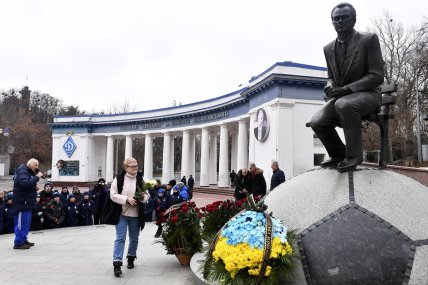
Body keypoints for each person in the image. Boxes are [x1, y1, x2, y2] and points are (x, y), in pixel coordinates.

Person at [310, 2, 384, 172]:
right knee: (317, 121)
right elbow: (330, 75)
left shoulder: (369, 40)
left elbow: (377, 76)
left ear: (354, 20)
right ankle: (338, 154)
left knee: (344, 104)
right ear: (332, 22)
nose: (340, 21)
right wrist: (330, 85)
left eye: (344, 17)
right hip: (342, 98)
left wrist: (346, 89)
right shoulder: (328, 48)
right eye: (336, 19)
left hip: (369, 95)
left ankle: (354, 156)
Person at [110, 158, 149, 277]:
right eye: (132, 166)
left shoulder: (141, 179)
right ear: (126, 168)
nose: (135, 168)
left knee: (134, 238)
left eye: (136, 166)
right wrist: (127, 199)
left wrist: (142, 197)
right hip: (121, 214)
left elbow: (147, 197)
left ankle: (131, 257)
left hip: (135, 215)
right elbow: (113, 195)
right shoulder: (119, 179)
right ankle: (117, 263)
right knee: (120, 238)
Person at [12, 158, 44, 249]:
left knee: (26, 223)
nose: (37, 167)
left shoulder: (28, 172)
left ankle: (23, 239)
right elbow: (24, 184)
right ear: (29, 165)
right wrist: (37, 177)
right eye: (35, 165)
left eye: (38, 165)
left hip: (27, 202)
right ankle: (18, 243)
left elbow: (27, 185)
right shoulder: (23, 171)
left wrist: (34, 187)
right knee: (21, 223)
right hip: (22, 203)